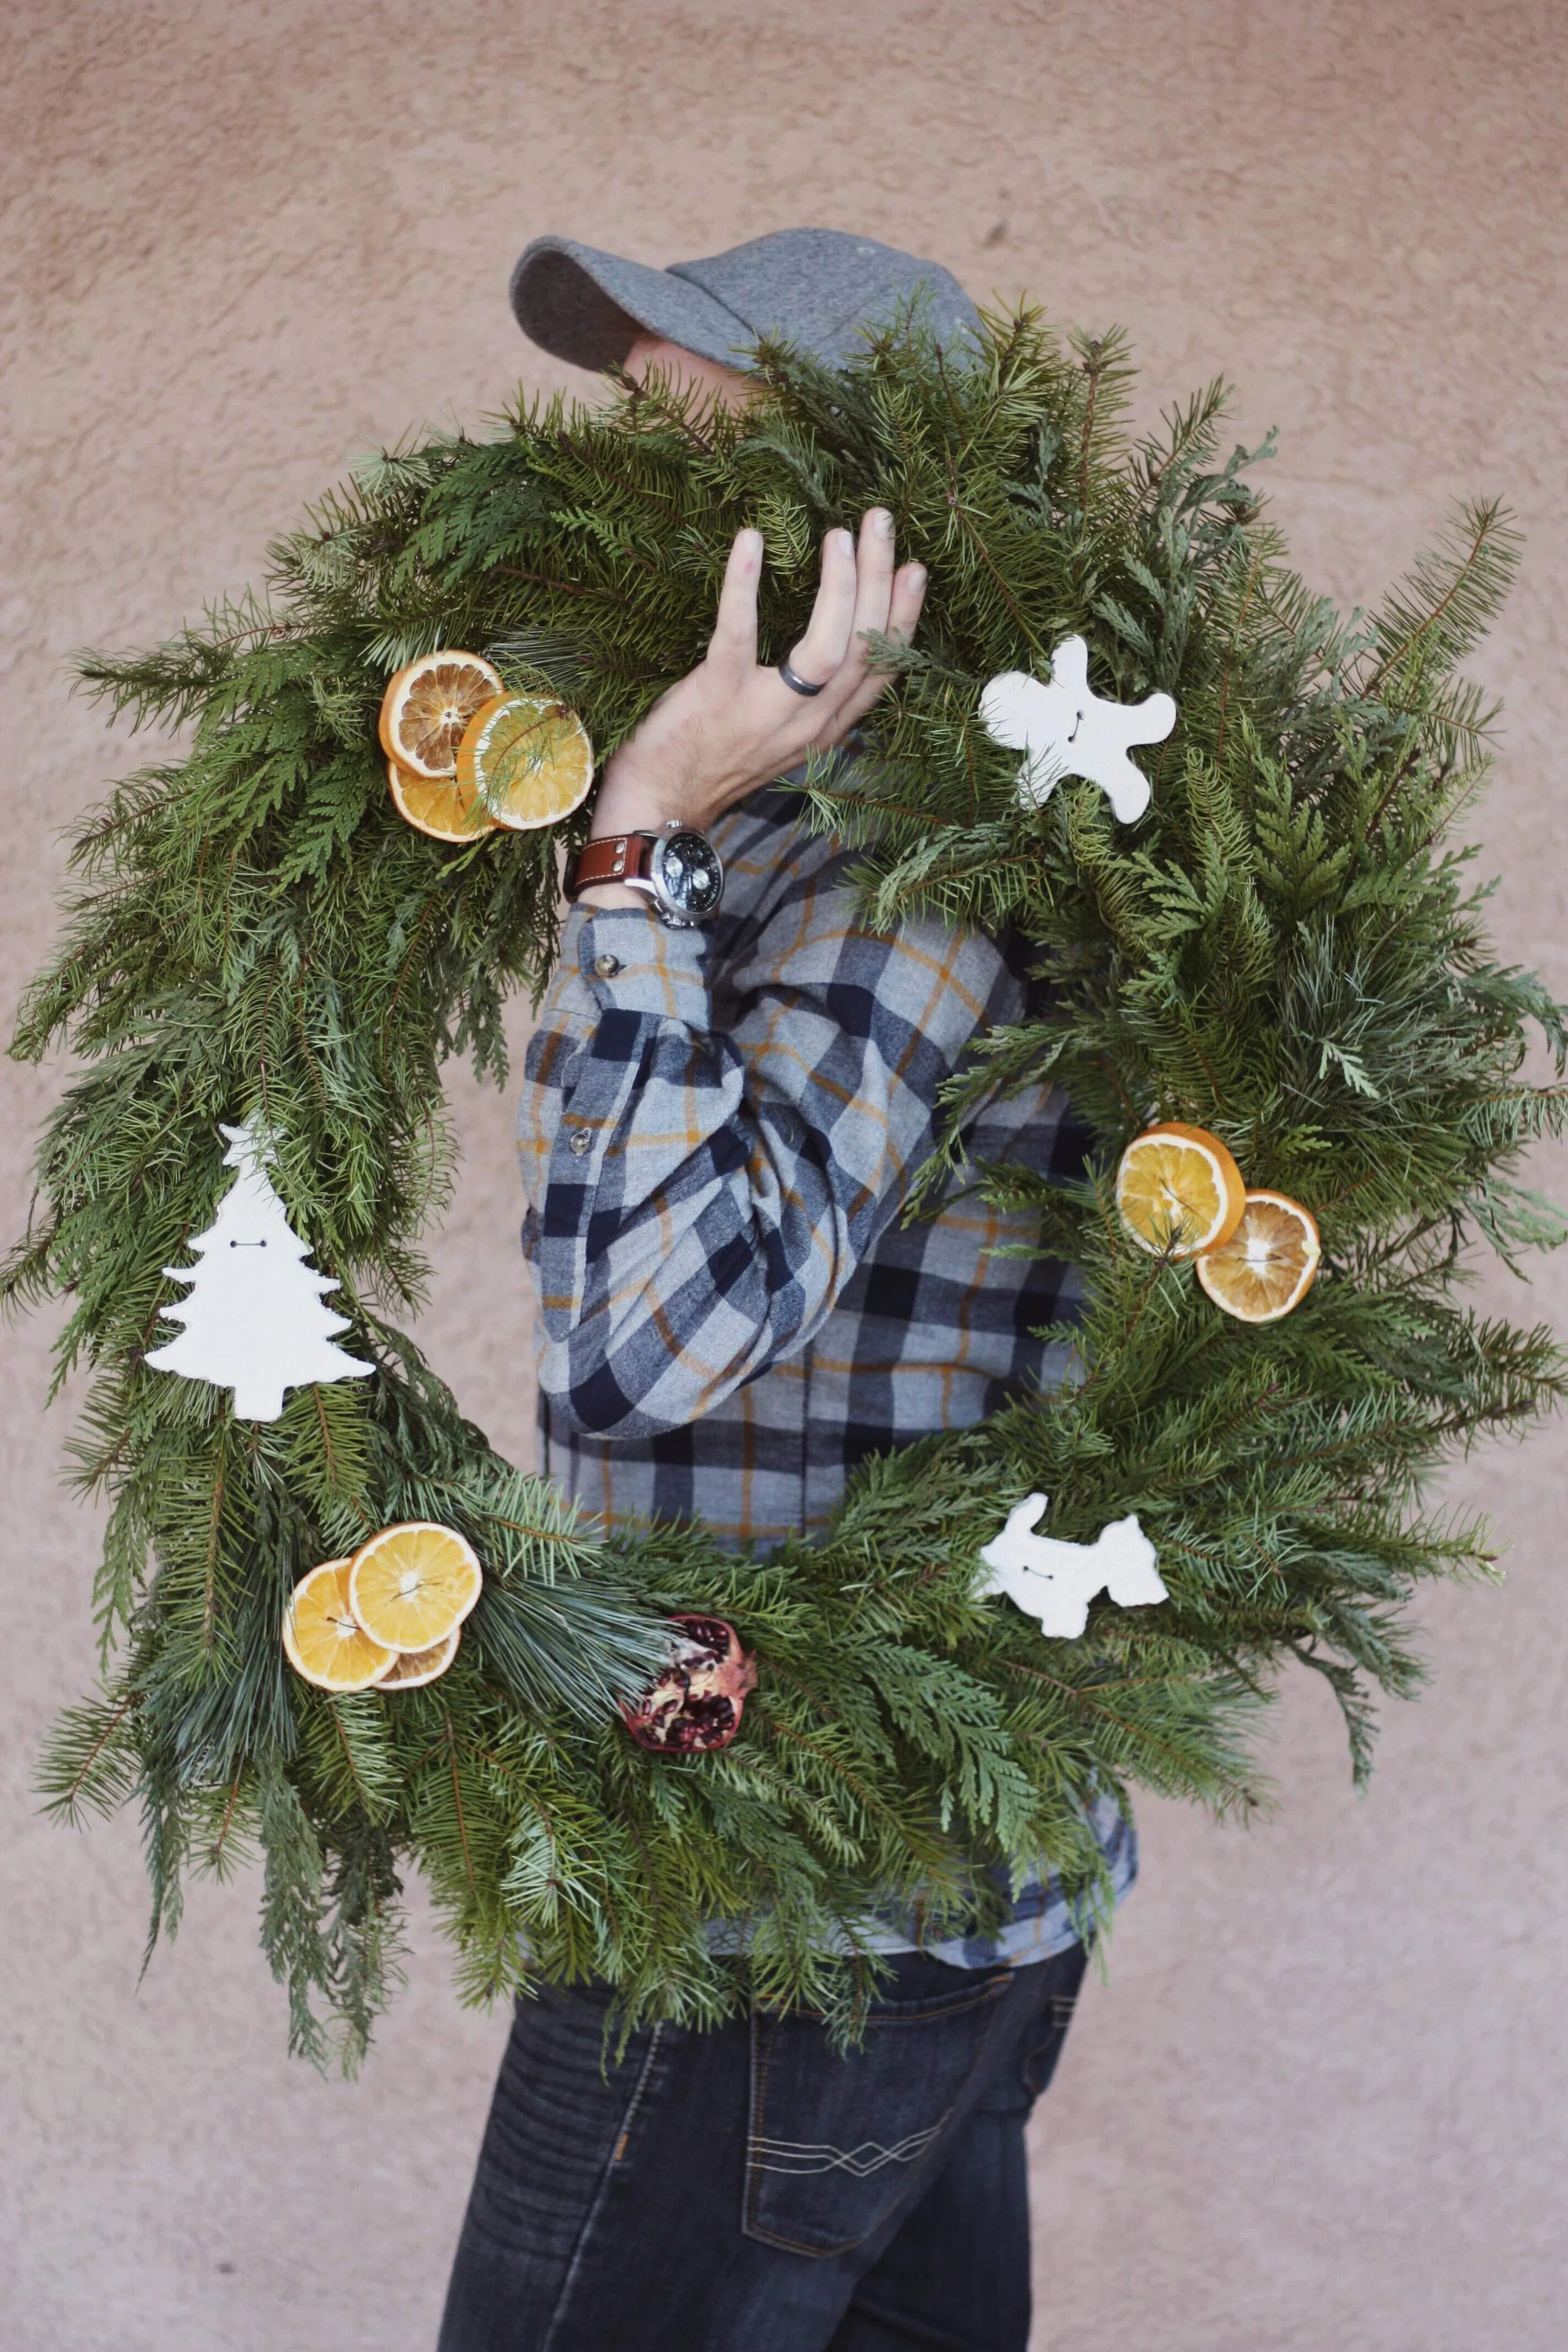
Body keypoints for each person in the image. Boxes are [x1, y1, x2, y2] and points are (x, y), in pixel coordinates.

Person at [438, 228, 1136, 2352]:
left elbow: (650, 1348)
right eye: (624, 422)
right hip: (902, 1888)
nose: (629, 493)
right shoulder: (820, 828)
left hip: (771, 1917)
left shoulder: (911, 866)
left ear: (864, 518)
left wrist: (636, 832)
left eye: (690, 439)